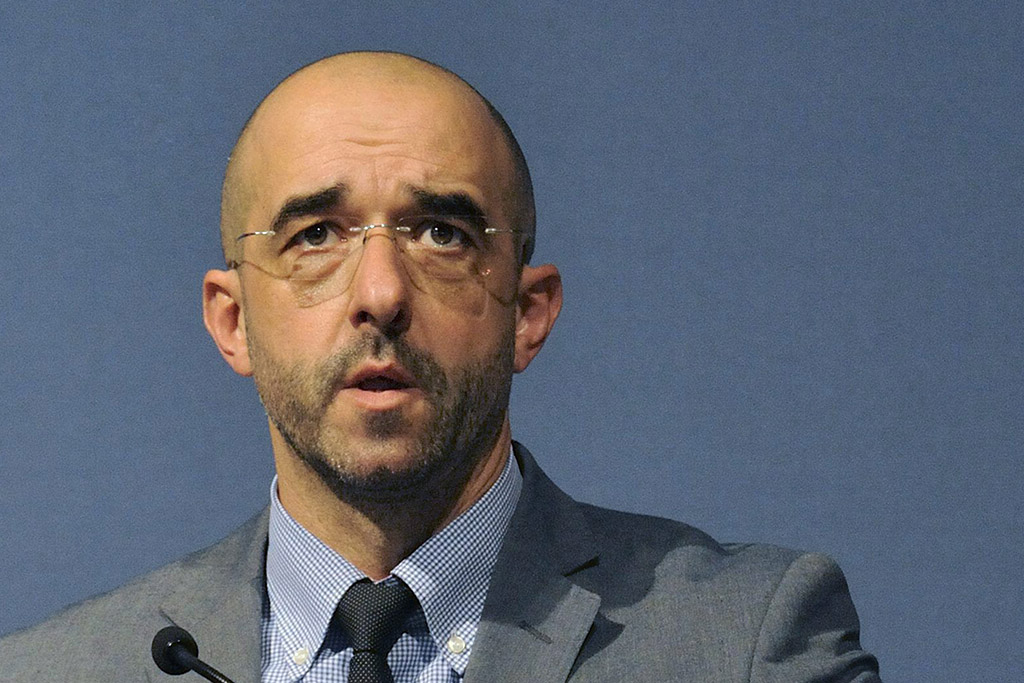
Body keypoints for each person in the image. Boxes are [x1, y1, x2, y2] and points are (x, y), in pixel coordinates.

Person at [0, 52, 881, 682]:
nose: (381, 292)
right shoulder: (52, 670)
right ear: (233, 321)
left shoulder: (744, 643)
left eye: (441, 234)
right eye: (316, 235)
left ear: (528, 312)